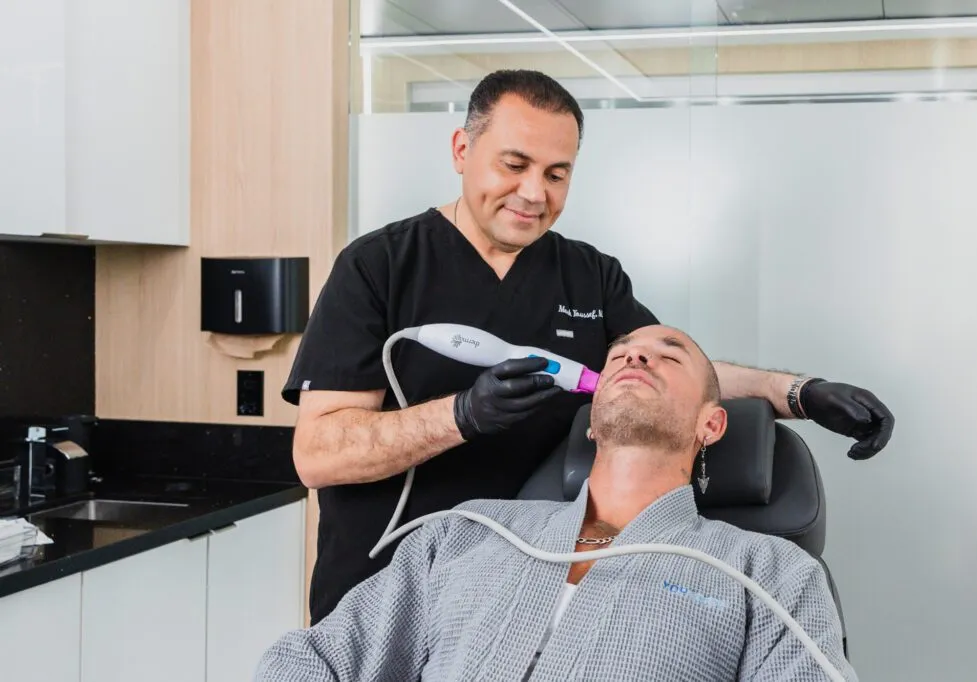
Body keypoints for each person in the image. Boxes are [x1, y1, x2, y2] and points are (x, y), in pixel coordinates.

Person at [282, 68, 895, 625]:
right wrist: (462, 416)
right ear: (462, 151)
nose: (533, 193)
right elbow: (318, 454)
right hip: (386, 593)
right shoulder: (380, 267)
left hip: (524, 590)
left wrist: (799, 393)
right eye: (513, 165)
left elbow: (670, 369)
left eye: (556, 173)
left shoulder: (588, 275)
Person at [259, 324, 856, 682]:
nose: (634, 357)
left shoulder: (771, 576)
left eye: (667, 356)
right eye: (619, 355)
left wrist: (794, 390)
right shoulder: (468, 533)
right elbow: (316, 661)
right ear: (590, 420)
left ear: (713, 424)